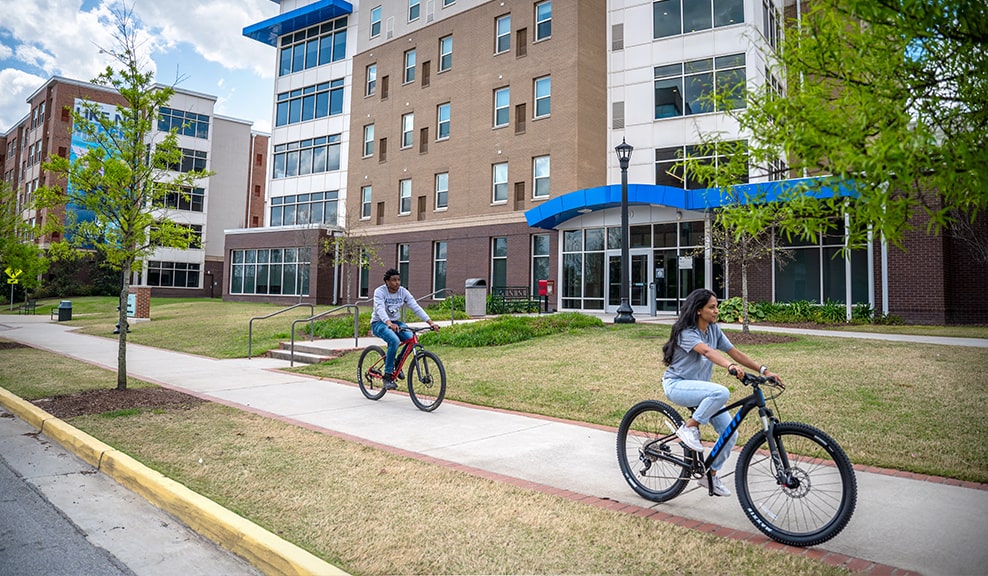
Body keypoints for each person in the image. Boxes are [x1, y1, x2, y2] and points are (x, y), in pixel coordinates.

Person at [661, 288, 783, 497]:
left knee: (730, 434)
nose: (716, 311)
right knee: (721, 392)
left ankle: (710, 476)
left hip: (700, 390)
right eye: (712, 307)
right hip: (677, 385)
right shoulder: (686, 332)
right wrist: (729, 367)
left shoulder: (713, 330)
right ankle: (689, 429)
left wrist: (764, 371)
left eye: (716, 306)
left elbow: (735, 352)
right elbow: (708, 352)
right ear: (699, 310)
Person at [371, 268, 439, 389]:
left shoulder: (403, 292)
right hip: (379, 323)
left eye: (398, 280)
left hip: (396, 323)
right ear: (387, 281)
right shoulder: (379, 292)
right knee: (394, 340)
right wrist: (388, 323)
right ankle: (387, 376)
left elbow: (415, 306)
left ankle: (397, 362)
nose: (397, 283)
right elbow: (380, 308)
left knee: (412, 339)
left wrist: (430, 322)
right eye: (393, 280)